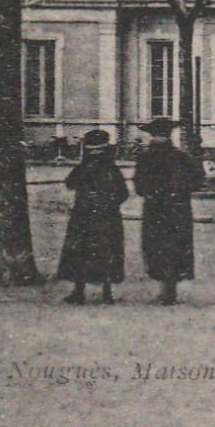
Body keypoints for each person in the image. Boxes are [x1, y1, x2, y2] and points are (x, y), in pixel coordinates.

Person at [133, 117, 203, 305]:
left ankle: (165, 290)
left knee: (156, 246)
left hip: (155, 209)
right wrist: (179, 192)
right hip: (178, 209)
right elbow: (198, 180)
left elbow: (139, 186)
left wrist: (152, 192)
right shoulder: (181, 156)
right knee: (175, 246)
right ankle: (169, 290)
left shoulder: (145, 157)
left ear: (152, 136)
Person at [56, 129, 129, 305]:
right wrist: (110, 203)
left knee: (81, 253)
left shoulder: (82, 169)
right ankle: (106, 292)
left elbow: (69, 183)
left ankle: (79, 291)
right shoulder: (112, 170)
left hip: (83, 216)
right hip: (107, 217)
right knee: (106, 252)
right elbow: (123, 193)